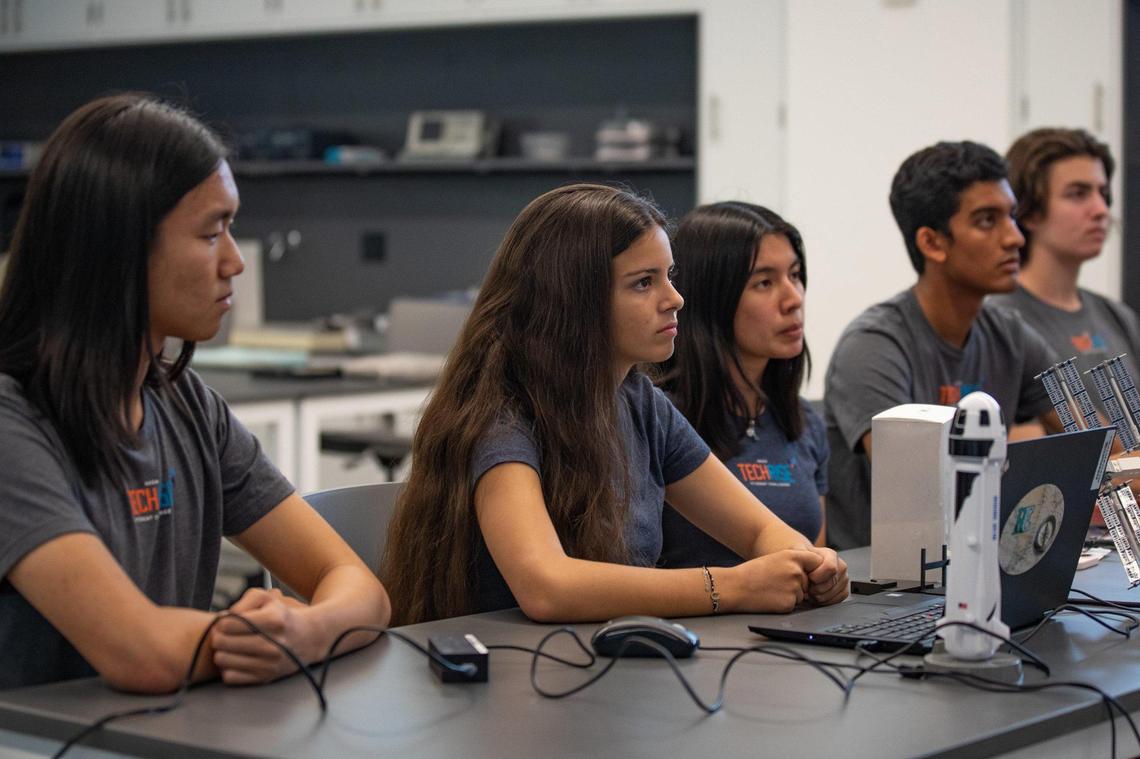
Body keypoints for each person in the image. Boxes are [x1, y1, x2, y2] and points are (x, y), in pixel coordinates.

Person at [0, 94, 390, 692]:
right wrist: (272, 637)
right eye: (212, 233)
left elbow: (357, 584)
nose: (234, 261)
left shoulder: (191, 408)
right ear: (120, 250)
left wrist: (305, 633)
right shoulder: (12, 426)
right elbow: (140, 651)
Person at [381, 184, 847, 626]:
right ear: (573, 300)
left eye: (670, 277)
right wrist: (730, 587)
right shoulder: (504, 418)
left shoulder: (640, 402)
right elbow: (546, 585)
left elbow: (758, 531)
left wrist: (809, 562)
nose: (675, 299)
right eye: (644, 283)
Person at [823, 141, 1059, 550]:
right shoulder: (873, 346)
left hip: (978, 561)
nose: (1015, 238)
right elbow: (919, 491)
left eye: (1012, 217)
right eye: (988, 221)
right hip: (888, 588)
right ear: (933, 243)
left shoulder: (1012, 334)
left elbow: (1102, 446)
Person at [656, 202, 828, 570]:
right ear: (711, 297)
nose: (793, 298)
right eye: (764, 282)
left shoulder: (803, 421)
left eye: (795, 275)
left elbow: (816, 562)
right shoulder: (658, 418)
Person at [990, 128, 1139, 379]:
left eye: (1102, 193)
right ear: (1030, 211)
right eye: (1078, 194)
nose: (1101, 209)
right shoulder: (997, 320)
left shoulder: (1117, 316)